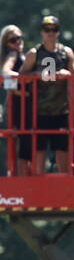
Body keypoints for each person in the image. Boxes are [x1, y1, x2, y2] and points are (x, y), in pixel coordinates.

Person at [18, 17, 74, 175]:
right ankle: (39, 186)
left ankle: (66, 186)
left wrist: (68, 74)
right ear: (41, 32)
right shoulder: (34, 53)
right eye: (47, 29)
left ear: (58, 32)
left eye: (54, 29)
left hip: (62, 110)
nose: (50, 33)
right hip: (39, 111)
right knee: (39, 151)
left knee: (63, 150)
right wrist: (35, 75)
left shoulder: (66, 52)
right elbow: (21, 77)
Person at [1, 25, 29, 175]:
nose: (18, 41)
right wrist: (17, 90)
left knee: (23, 145)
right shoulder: (12, 54)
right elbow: (5, 72)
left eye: (19, 38)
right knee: (21, 146)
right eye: (13, 39)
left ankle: (19, 178)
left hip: (22, 105)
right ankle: (20, 181)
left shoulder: (21, 55)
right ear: (6, 43)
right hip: (17, 106)